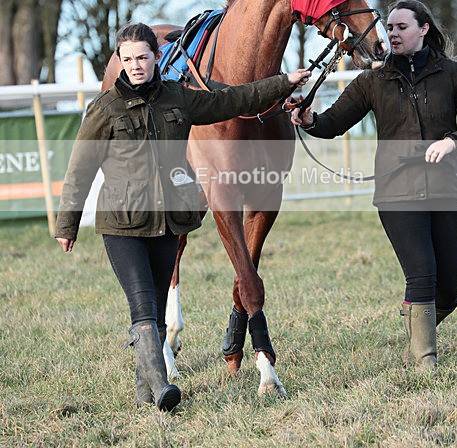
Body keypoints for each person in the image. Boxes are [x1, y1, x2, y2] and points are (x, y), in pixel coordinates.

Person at [56, 21, 310, 411]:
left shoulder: (179, 98)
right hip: (122, 223)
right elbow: (80, 168)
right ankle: (162, 390)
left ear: (157, 58)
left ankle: (145, 393)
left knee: (156, 308)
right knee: (143, 307)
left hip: (168, 221)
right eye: (128, 59)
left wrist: (283, 82)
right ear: (120, 63)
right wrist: (68, 222)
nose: (136, 65)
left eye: (143, 57)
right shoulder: (104, 108)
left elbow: (235, 101)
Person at [292, 0, 457, 372]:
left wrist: (453, 140)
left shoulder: (453, 74)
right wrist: (309, 120)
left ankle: (416, 325)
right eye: (390, 27)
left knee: (450, 289)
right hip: (396, 193)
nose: (393, 33)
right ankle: (425, 363)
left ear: (423, 29)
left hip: (445, 190)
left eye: (402, 27)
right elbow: (332, 123)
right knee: (422, 272)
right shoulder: (373, 79)